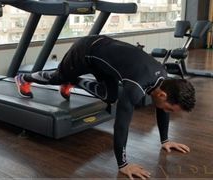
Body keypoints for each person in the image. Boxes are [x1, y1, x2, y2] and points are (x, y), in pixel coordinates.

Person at [14, 35, 196, 179]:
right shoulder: (136, 87)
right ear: (162, 94)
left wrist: (165, 140)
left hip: (103, 57)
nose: (166, 112)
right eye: (170, 109)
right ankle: (24, 78)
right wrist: (123, 165)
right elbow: (122, 125)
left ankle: (73, 81)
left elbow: (162, 108)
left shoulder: (164, 80)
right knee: (57, 78)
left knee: (110, 96)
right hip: (85, 51)